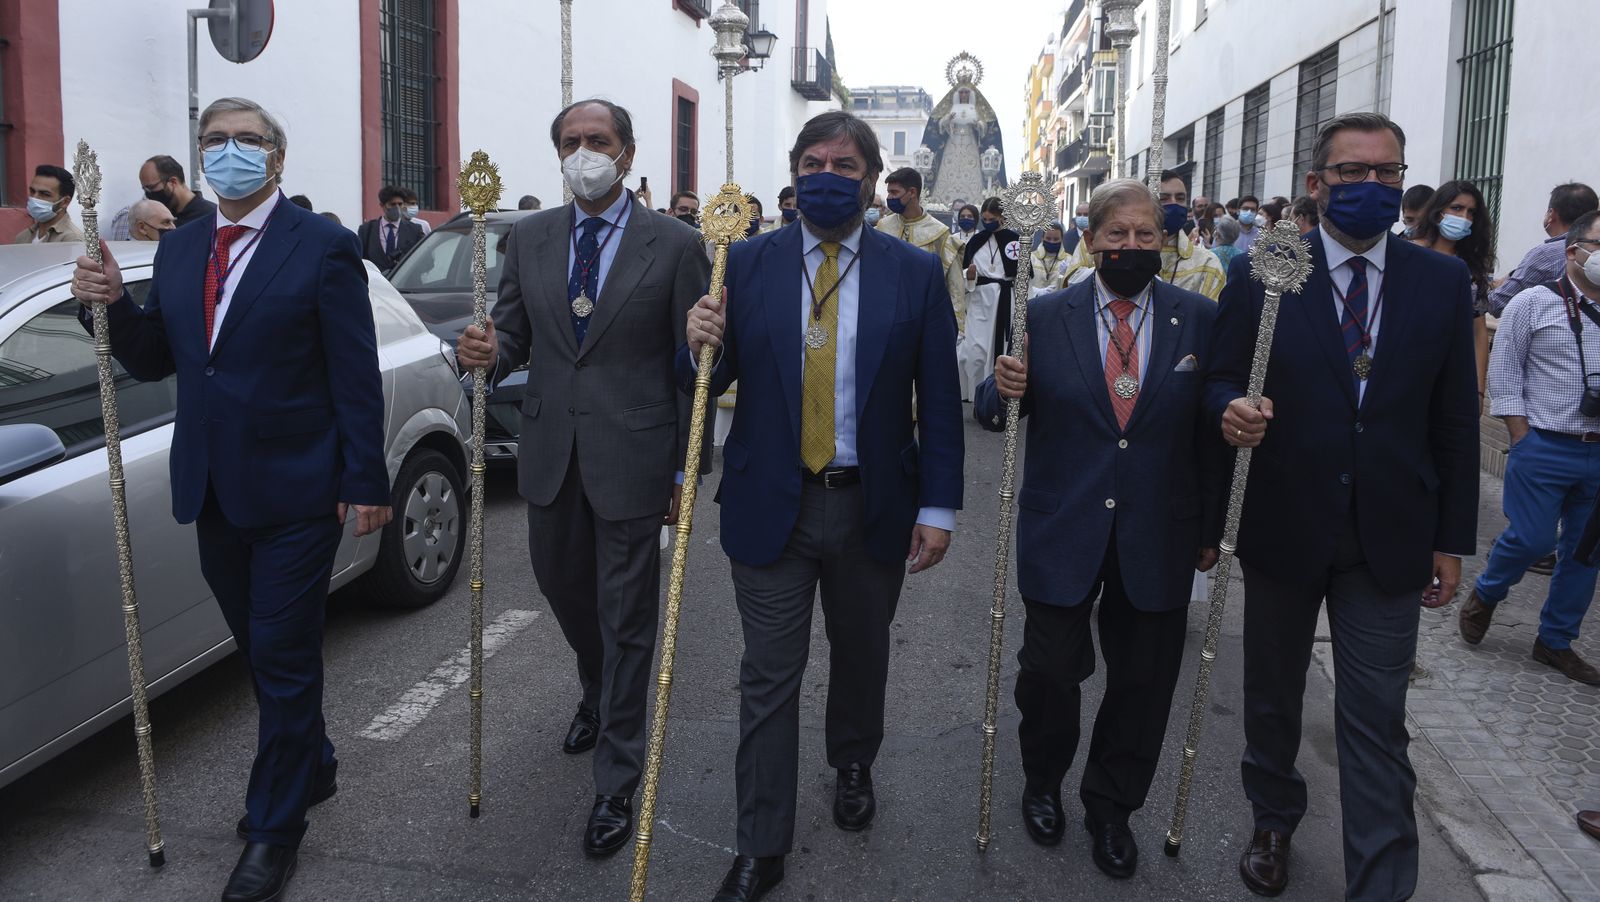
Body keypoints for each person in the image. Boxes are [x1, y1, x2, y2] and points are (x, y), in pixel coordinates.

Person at [69, 96, 390, 902]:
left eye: (248, 140)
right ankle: (311, 763)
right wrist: (101, 304)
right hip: (211, 487)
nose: (230, 152)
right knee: (261, 650)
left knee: (282, 659)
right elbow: (153, 359)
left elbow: (353, 376)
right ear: (199, 156)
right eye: (216, 140)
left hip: (298, 490)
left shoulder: (321, 246)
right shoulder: (180, 251)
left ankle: (273, 831)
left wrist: (366, 483)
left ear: (276, 157)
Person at [680, 109, 962, 902]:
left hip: (872, 502)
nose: (827, 176)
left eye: (845, 165)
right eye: (813, 162)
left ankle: (852, 762)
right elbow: (703, 374)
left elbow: (938, 398)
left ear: (872, 180)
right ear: (794, 174)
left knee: (861, 654)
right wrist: (695, 337)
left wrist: (938, 508)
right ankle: (760, 844)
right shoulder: (747, 262)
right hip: (773, 503)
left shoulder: (911, 272)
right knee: (768, 676)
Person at [1209, 112, 1478, 901]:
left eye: (1387, 173)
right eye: (1353, 173)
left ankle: (1382, 881)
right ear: (1317, 184)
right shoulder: (1267, 267)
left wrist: (1452, 538)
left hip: (1390, 535)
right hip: (1285, 521)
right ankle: (1272, 819)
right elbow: (1221, 378)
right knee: (1273, 692)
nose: (1372, 186)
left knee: (1376, 718)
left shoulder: (1439, 281)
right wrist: (1228, 410)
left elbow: (1455, 419)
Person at [454, 98, 709, 860]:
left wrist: (683, 470)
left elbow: (693, 366)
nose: (583, 153)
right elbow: (514, 336)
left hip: (634, 457)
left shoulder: (676, 243)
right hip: (548, 453)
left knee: (628, 614)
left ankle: (618, 777)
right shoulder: (531, 237)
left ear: (627, 154)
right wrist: (485, 352)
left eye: (598, 141)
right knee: (566, 590)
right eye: (571, 142)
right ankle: (596, 687)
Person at [975, 178, 1221, 880]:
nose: (1132, 246)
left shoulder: (1196, 319)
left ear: (1164, 240)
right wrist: (1003, 385)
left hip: (1161, 528)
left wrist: (1208, 522)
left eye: (1146, 235)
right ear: (1091, 240)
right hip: (1064, 523)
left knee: (1143, 681)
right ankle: (1042, 779)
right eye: (1118, 235)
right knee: (1049, 671)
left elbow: (1208, 428)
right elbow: (997, 407)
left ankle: (1112, 806)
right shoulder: (1044, 314)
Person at [1459, 211, 1600, 686]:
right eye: (1599, 244)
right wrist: (1521, 435)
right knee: (1534, 539)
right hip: (1543, 444)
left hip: (1597, 454)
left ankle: (1555, 642)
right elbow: (1505, 373)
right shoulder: (1533, 304)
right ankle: (1487, 592)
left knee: (1585, 554)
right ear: (1572, 250)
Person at [1411, 179, 1496, 399]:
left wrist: (1478, 390)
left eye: (1471, 212)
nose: (1464, 218)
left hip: (1453, 374)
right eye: (1457, 208)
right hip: (1408, 370)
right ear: (1438, 211)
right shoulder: (1409, 254)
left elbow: (1478, 330)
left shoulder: (1472, 267)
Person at [1489, 183, 1599, 316]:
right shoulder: (1587, 253)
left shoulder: (1544, 255)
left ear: (1552, 214)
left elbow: (1498, 303)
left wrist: (1487, 288)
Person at [956, 198, 1020, 401]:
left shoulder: (1014, 240)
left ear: (1002, 217)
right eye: (984, 219)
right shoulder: (976, 240)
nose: (987, 222)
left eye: (991, 218)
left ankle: (997, 397)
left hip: (1004, 300)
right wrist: (969, 275)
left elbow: (1022, 275)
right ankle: (976, 395)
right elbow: (963, 272)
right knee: (975, 351)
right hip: (979, 299)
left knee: (1001, 348)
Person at [877, 167, 965, 310]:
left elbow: (955, 287)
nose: (889, 198)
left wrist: (957, 329)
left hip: (924, 310)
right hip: (886, 307)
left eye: (894, 192)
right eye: (888, 192)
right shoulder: (883, 226)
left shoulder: (940, 233)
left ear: (912, 192)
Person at [1156, 170, 1226, 301]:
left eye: (1180, 198)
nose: (1174, 204)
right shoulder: (1126, 256)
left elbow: (1210, 316)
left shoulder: (1207, 262)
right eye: (1163, 199)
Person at [357, 185, 424, 272]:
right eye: (392, 204)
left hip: (404, 283)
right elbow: (360, 260)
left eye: (400, 204)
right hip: (376, 282)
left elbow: (425, 260)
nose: (397, 208)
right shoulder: (366, 230)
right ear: (382, 205)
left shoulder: (415, 230)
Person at [140, 154, 217, 227]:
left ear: (173, 182)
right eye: (145, 189)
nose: (148, 194)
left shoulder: (211, 217)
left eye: (151, 187)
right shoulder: (159, 217)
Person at [13, 165, 83, 244]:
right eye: (32, 191)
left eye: (45, 194)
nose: (34, 198)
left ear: (65, 202)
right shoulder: (22, 237)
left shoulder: (72, 240)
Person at [1030, 221, 1068, 292]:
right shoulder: (1031, 258)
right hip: (1034, 300)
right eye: (1048, 238)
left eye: (1056, 239)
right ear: (1042, 238)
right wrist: (1036, 292)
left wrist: (1066, 276)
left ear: (1062, 239)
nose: (1052, 242)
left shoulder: (1069, 260)